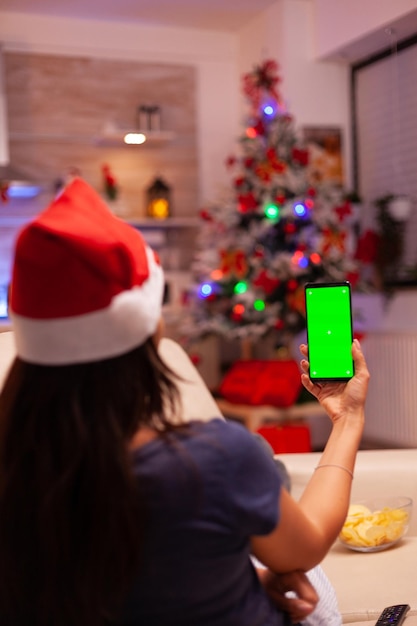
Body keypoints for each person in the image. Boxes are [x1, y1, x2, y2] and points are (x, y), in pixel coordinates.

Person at [0, 177, 369, 626]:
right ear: (147, 331)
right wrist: (347, 417)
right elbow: (308, 545)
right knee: (313, 588)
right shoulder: (214, 458)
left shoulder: (18, 470)